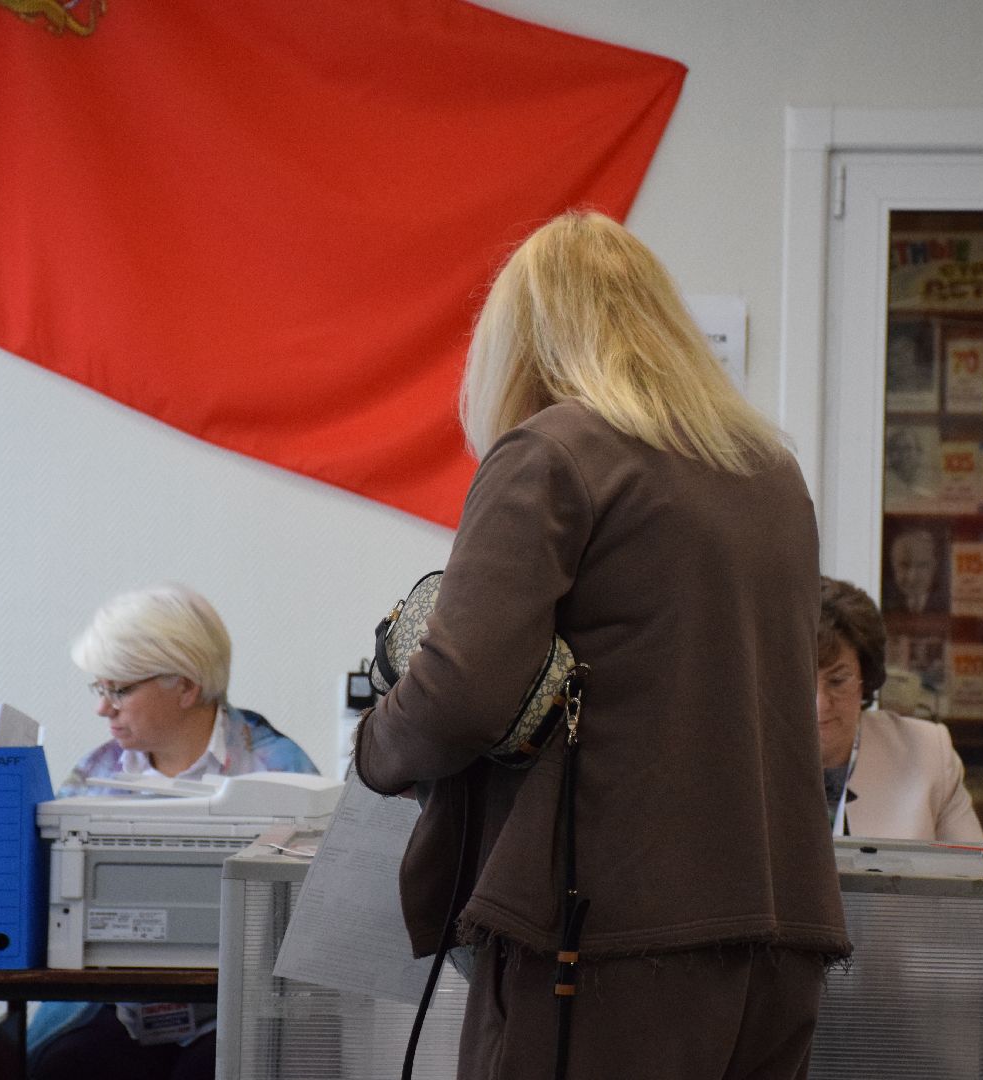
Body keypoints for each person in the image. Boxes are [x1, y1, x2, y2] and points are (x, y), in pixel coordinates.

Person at [355, 211, 849, 1080]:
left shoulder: (553, 454)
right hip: (780, 927)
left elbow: (463, 692)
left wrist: (377, 743)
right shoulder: (769, 473)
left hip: (608, 938)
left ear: (521, 344)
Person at [29, 583, 317, 1080]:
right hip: (116, 1010)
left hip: (237, 1012)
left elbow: (308, 926)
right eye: (99, 689)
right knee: (66, 1066)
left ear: (184, 686)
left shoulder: (281, 772)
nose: (103, 708)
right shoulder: (90, 779)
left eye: (119, 689)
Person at [817, 577, 983, 842]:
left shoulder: (927, 754)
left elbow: (975, 877)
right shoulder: (743, 760)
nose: (820, 704)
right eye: (801, 682)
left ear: (866, 676)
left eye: (837, 681)